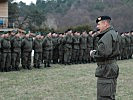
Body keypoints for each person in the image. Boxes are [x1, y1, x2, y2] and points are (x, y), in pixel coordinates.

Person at [90, 16, 119, 100]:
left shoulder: (107, 36)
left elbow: (103, 54)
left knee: (104, 96)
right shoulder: (113, 33)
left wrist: (93, 53)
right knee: (109, 94)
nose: (97, 27)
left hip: (106, 69)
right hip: (110, 67)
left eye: (99, 24)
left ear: (105, 23)